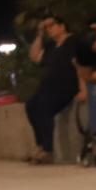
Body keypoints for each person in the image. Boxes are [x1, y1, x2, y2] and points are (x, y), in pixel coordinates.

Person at [24, 13, 81, 164]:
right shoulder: (50, 46)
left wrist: (83, 88)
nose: (49, 29)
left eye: (51, 25)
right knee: (31, 106)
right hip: (47, 89)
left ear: (62, 26)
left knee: (44, 106)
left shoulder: (74, 41)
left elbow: (80, 65)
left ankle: (48, 151)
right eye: (46, 27)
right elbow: (34, 56)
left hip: (66, 87)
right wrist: (40, 33)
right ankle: (41, 145)